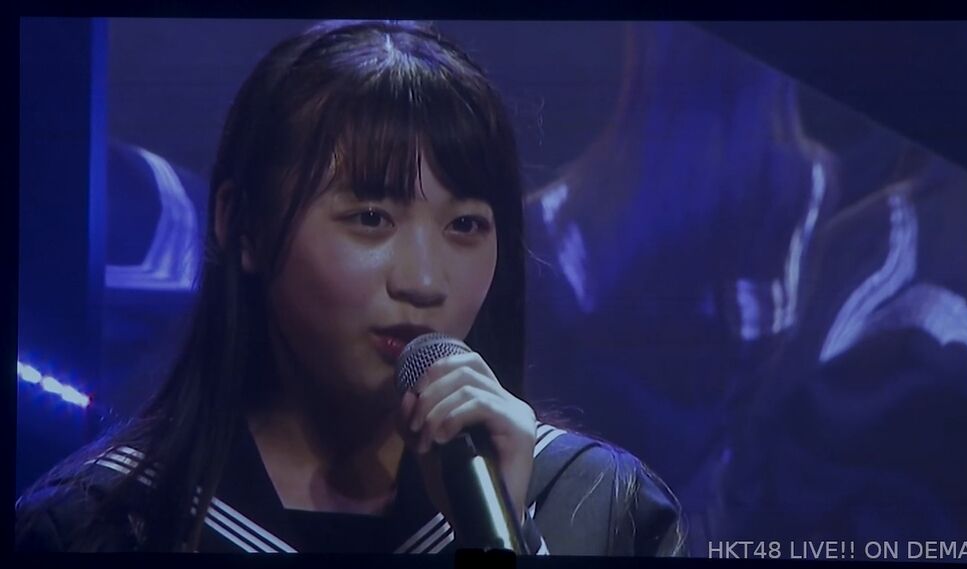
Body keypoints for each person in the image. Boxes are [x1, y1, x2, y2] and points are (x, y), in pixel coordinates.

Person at [15, 20, 686, 555]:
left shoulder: (601, 507)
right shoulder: (98, 522)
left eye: (465, 225)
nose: (423, 281)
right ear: (242, 225)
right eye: (371, 218)